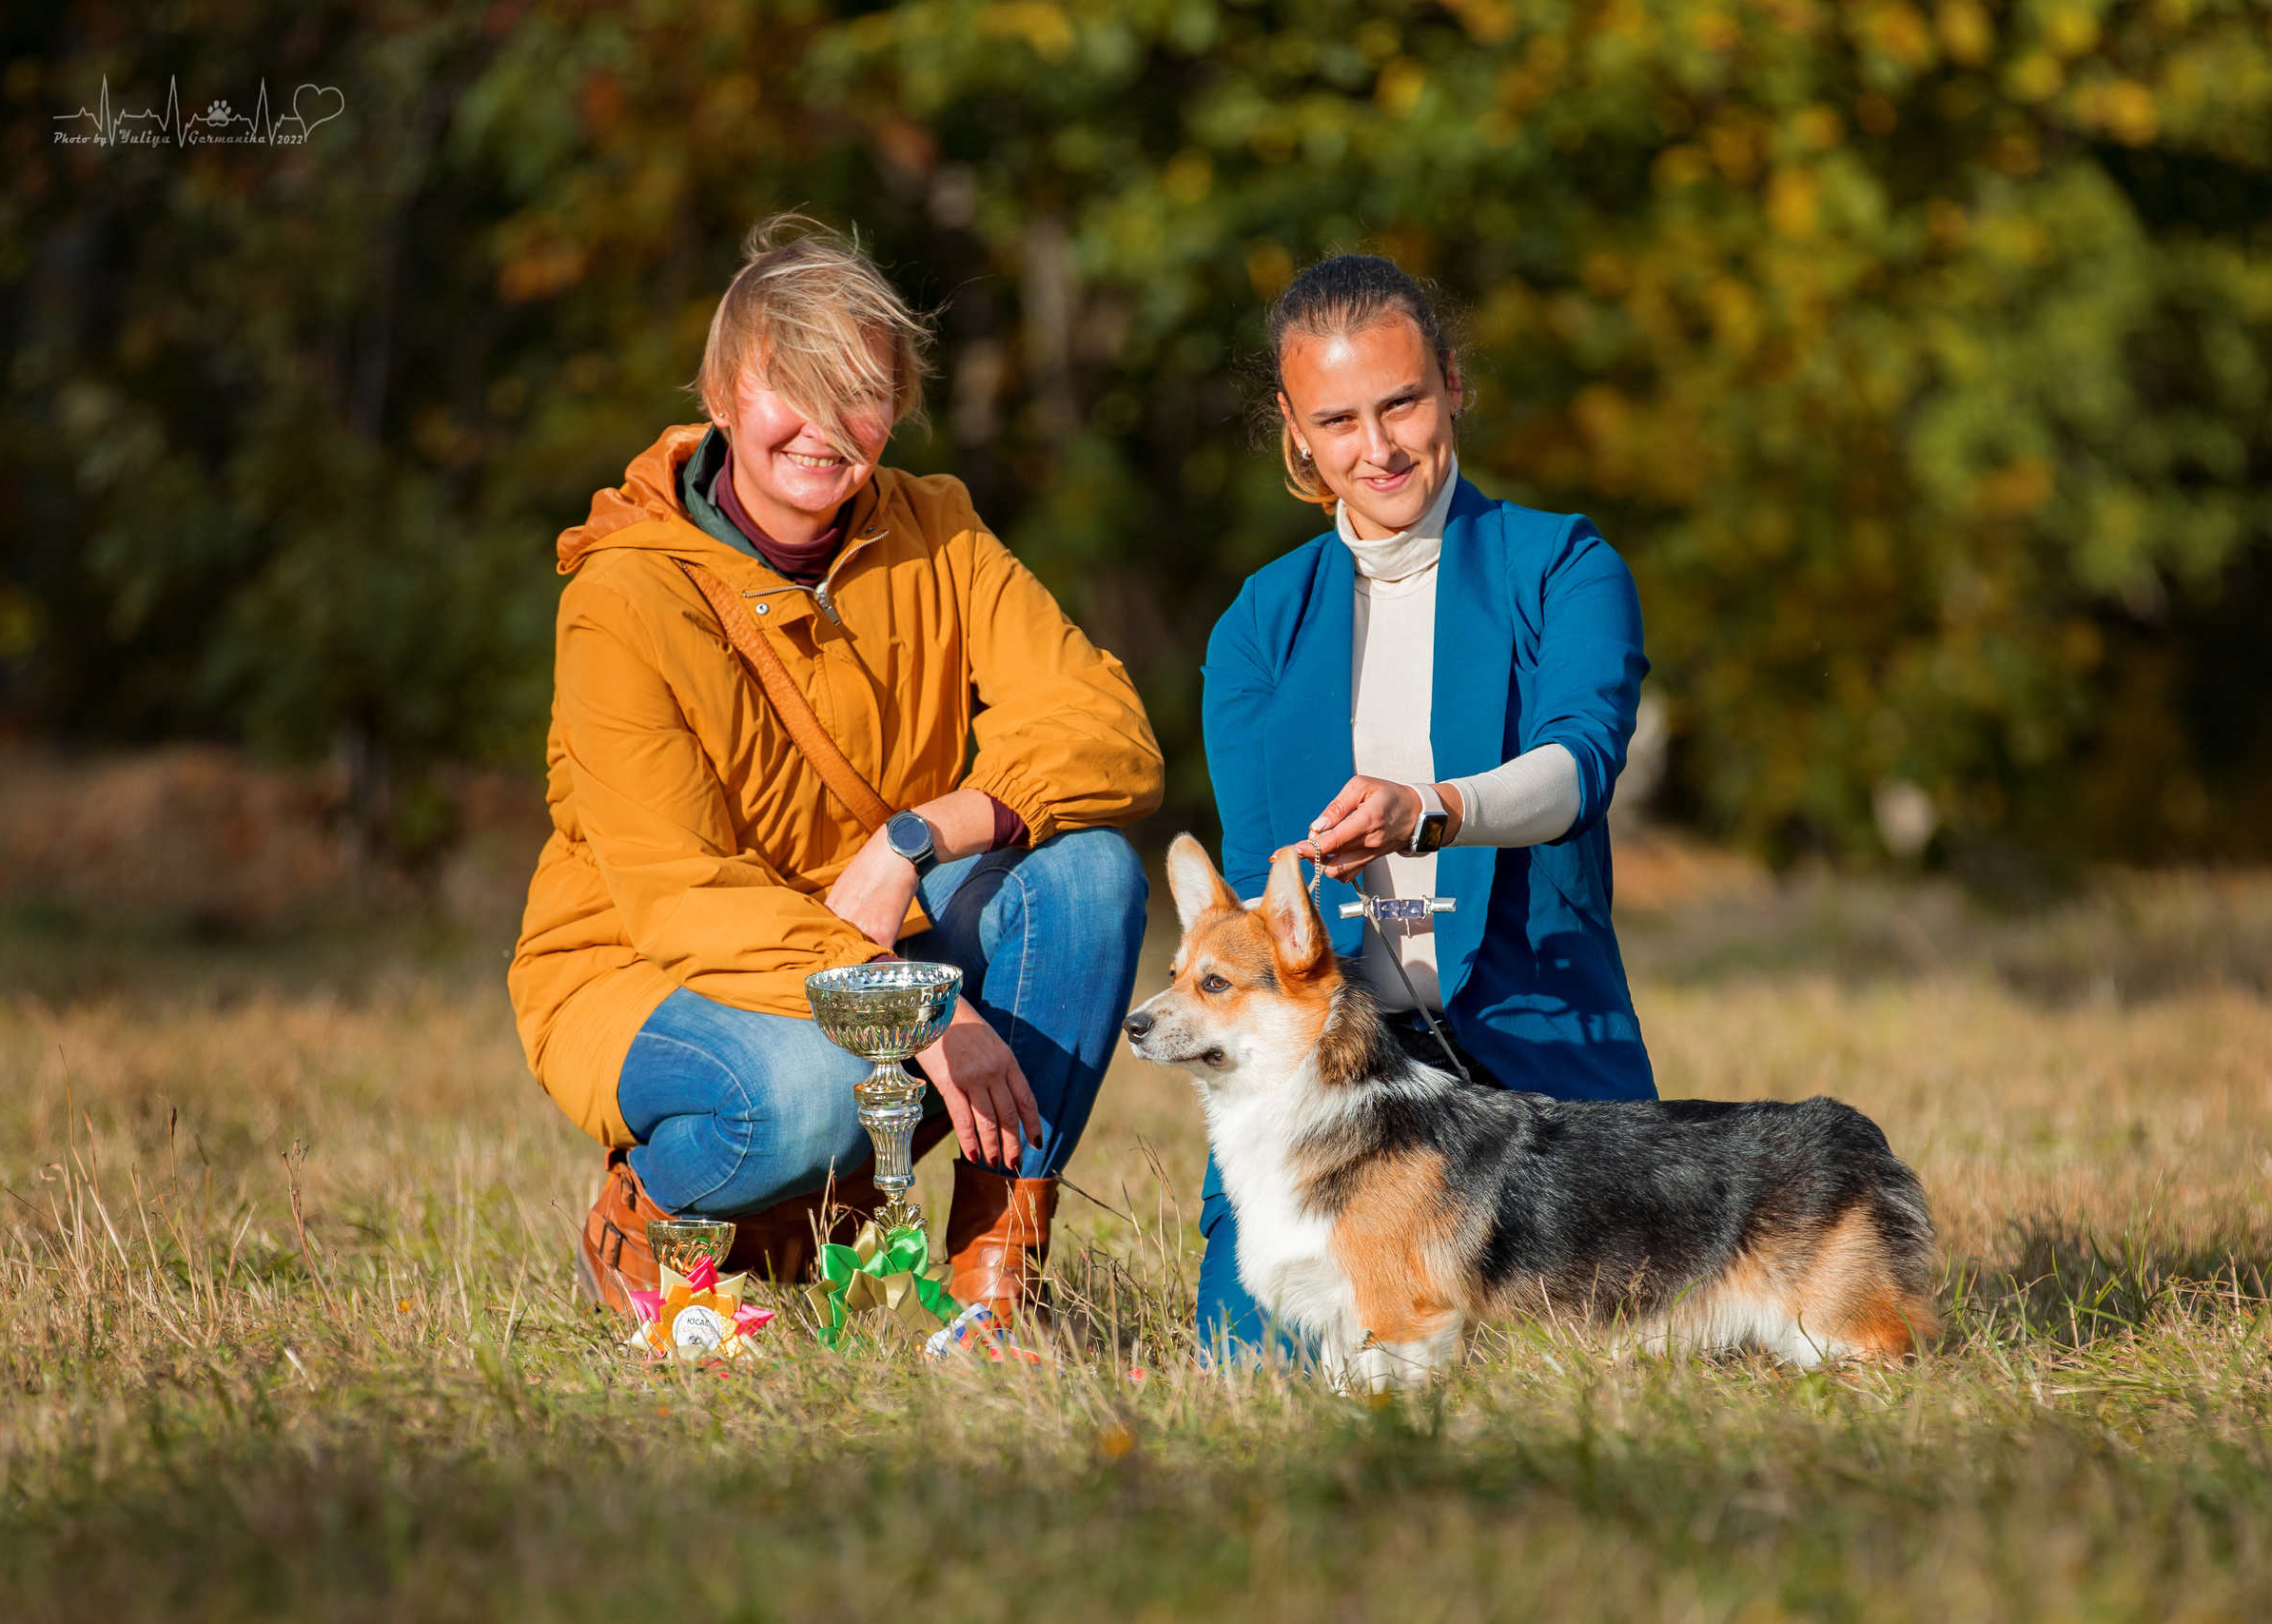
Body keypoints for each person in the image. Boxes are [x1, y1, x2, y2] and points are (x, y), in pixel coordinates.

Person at [509, 214, 1162, 1324]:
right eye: (790, 388)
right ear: (721, 395)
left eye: (860, 392)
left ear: (896, 407)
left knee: (1090, 875)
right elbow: (679, 898)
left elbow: (1105, 727)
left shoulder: (938, 529)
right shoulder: (621, 598)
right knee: (808, 1095)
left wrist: (918, 838)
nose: (824, 427)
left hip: (873, 934)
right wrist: (921, 1009)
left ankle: (992, 1288)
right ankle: (648, 1218)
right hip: (652, 968)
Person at [1197, 254, 1656, 1352]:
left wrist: (1431, 809)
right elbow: (1261, 895)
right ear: (1294, 431)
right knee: (1257, 1365)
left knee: (1578, 1359)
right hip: (1336, 1089)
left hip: (1538, 1065)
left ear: (1451, 381)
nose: (1378, 447)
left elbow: (1579, 767)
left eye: (1400, 402)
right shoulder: (1258, 622)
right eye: (1337, 420)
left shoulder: (1562, 564)